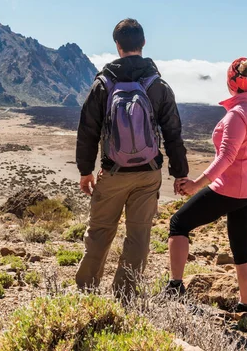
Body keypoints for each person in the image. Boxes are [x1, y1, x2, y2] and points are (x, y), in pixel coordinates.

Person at [75, 18, 189, 296]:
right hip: (148, 174)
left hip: (112, 173)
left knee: (100, 232)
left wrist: (85, 170)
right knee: (139, 236)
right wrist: (180, 173)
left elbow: (87, 130)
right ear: (143, 44)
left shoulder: (103, 84)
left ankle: (85, 292)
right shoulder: (157, 84)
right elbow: (173, 132)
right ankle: (124, 296)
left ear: (117, 46)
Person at [166, 57, 247, 312]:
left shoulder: (237, 115)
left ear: (231, 82)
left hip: (229, 189)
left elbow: (226, 157)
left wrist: (196, 184)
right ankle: (246, 306)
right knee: (240, 245)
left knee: (178, 223)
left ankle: (175, 287)